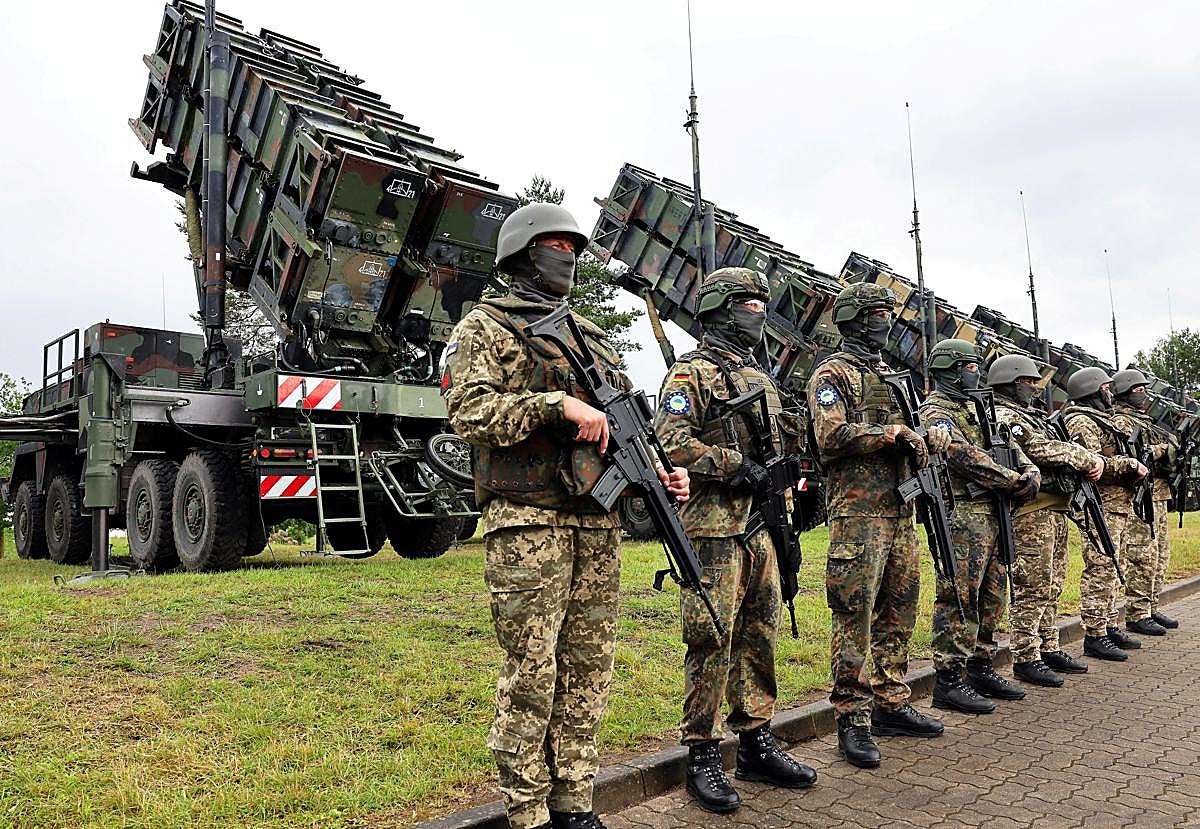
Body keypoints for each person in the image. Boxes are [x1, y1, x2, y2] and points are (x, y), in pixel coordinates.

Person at [442, 203, 690, 829]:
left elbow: (621, 432)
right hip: (529, 524)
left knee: (589, 666)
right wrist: (556, 406)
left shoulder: (591, 338)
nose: (569, 257)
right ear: (525, 252)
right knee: (531, 669)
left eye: (576, 248)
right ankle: (527, 812)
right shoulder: (485, 328)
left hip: (595, 524)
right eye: (557, 245)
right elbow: (468, 413)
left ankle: (573, 799)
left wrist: (657, 476)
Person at [654, 267, 817, 813]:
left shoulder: (761, 377)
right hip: (714, 529)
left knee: (760, 632)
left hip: (762, 525)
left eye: (760, 304)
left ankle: (755, 739)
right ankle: (702, 751)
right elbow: (671, 443)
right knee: (710, 638)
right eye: (748, 303)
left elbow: (782, 436)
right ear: (722, 309)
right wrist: (731, 465)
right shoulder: (689, 376)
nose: (758, 313)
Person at [806, 283, 946, 770]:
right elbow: (830, 435)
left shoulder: (893, 376)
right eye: (874, 313)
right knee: (855, 614)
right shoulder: (832, 372)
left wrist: (929, 437)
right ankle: (853, 717)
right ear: (851, 318)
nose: (884, 321)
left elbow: (914, 433)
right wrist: (889, 433)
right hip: (858, 516)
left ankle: (891, 701)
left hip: (902, 511)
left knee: (899, 610)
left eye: (887, 313)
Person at [919, 340, 1039, 715]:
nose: (977, 373)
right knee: (959, 597)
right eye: (970, 366)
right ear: (951, 369)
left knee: (993, 595)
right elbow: (962, 457)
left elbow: (1008, 447)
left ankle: (981, 666)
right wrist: (1012, 479)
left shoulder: (978, 408)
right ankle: (949, 680)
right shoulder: (935, 412)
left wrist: (1029, 471)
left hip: (994, 511)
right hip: (963, 515)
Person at [987, 354, 1103, 686]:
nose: (1034, 387)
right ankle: (1025, 655)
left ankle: (1048, 646)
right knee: (1032, 585)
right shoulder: (1006, 416)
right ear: (1010, 382)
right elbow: (1038, 448)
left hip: (1054, 509)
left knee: (1052, 583)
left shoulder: (1034, 415)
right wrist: (1084, 457)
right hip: (1030, 513)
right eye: (1028, 381)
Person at [1061, 367, 1150, 662]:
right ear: (1092, 391)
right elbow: (1095, 465)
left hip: (1116, 504)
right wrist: (1129, 465)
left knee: (1113, 567)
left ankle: (1109, 624)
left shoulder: (1101, 420)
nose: (1110, 393)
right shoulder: (1082, 421)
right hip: (1101, 504)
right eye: (1106, 388)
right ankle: (1095, 634)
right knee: (1100, 569)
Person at [1110, 368, 1177, 636]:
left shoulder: (1146, 419)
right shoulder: (1122, 421)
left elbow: (1167, 445)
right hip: (1141, 495)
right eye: (1138, 389)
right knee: (1141, 554)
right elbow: (1139, 452)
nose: (1143, 394)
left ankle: (1151, 605)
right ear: (1125, 392)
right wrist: (1164, 449)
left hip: (1159, 492)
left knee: (1160, 554)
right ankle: (1137, 612)